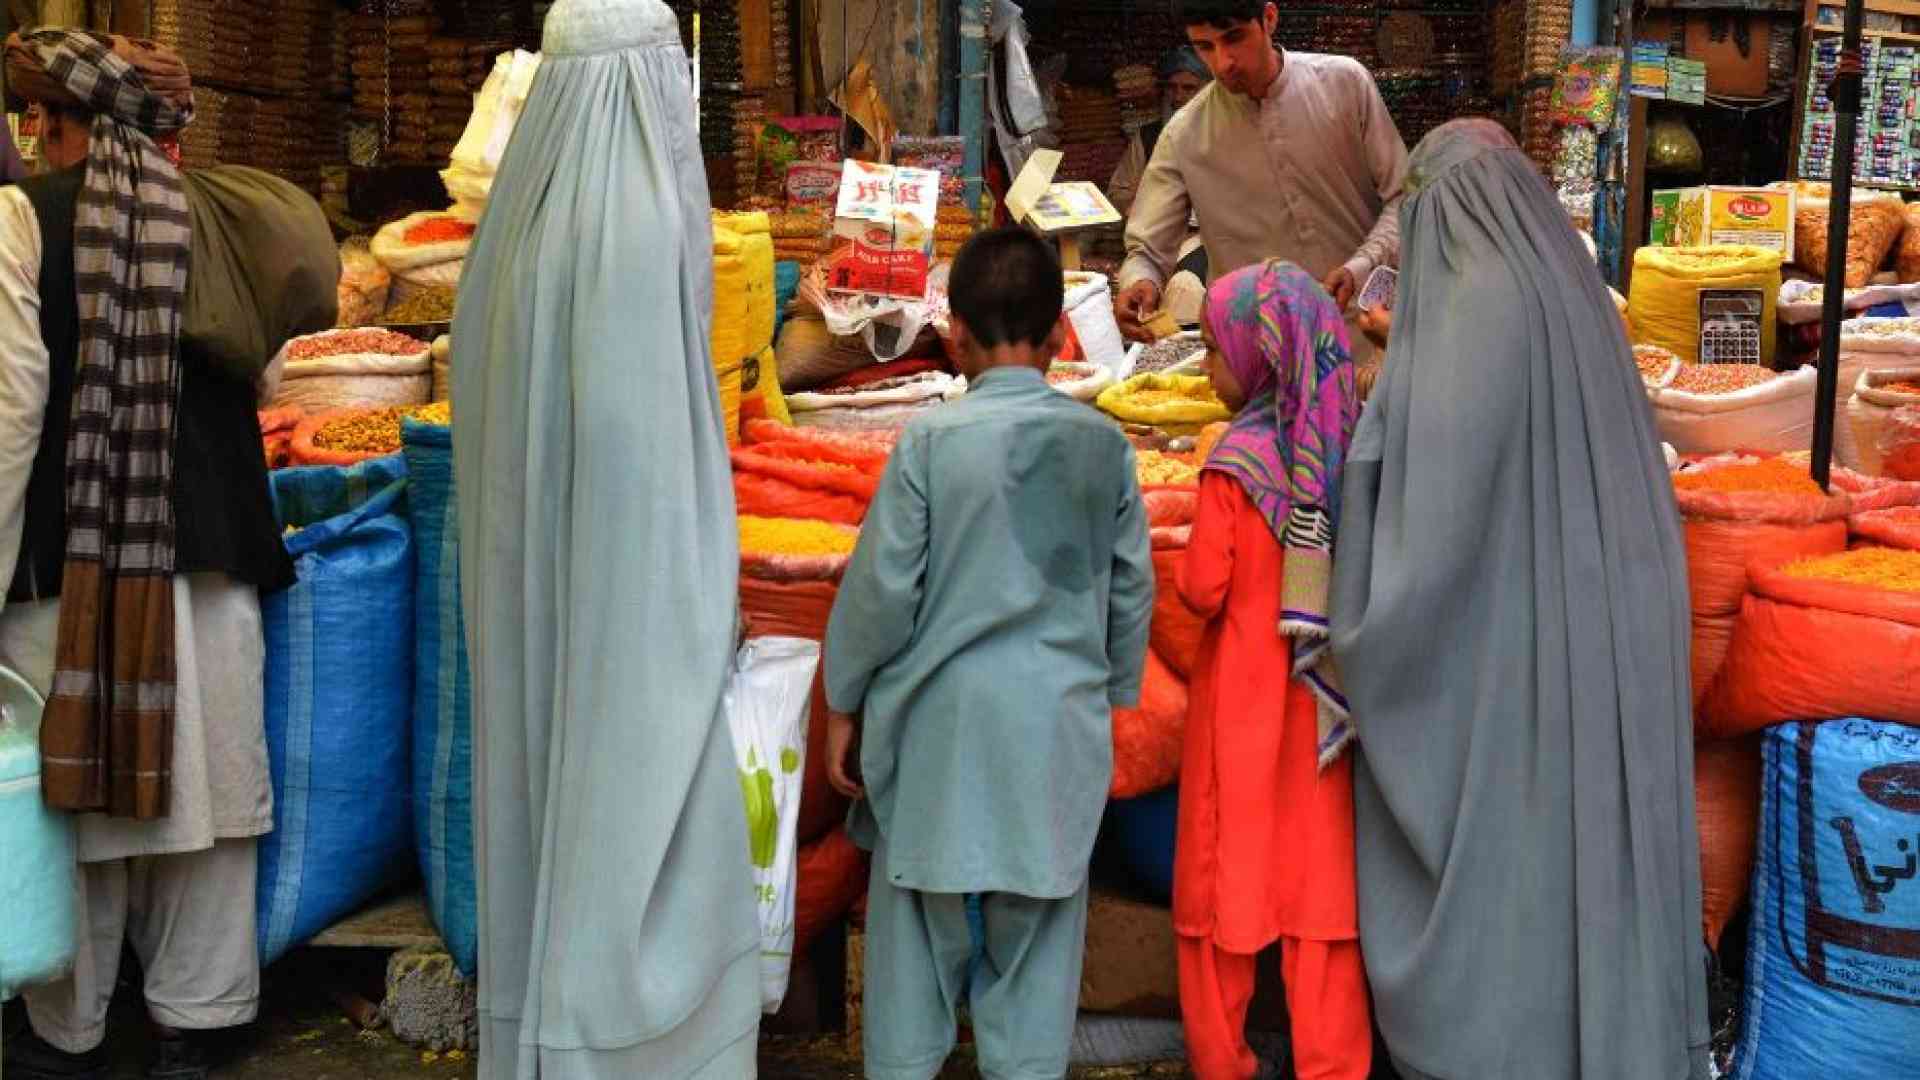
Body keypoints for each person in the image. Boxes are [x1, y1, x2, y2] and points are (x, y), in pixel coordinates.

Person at [1330, 119, 1709, 1080]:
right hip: (1614, 620)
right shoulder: (1573, 288)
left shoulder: (1468, 310)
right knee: (1594, 842)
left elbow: (1428, 534)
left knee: (1520, 847)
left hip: (1515, 642)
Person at [0, 28, 336, 1080]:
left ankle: (71, 1027)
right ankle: (199, 1019)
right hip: (217, 554)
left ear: (58, 123)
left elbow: (12, 413)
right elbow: (269, 379)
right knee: (210, 795)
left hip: (71, 567)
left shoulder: (21, 221)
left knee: (76, 796)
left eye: (36, 119)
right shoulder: (220, 219)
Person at [450, 0, 763, 1076]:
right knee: (634, 823)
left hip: (527, 596)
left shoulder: (511, 239)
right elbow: (652, 470)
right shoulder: (634, 235)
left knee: (543, 809)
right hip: (627, 604)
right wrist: (709, 594)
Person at [823, 227, 1155, 1080]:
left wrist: (842, 703)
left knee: (912, 943)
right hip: (1053, 734)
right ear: (1059, 337)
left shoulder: (929, 444)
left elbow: (879, 594)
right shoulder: (1105, 448)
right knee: (1036, 952)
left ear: (955, 333)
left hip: (938, 735)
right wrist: (1110, 697)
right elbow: (1130, 595)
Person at [1176, 261, 1367, 1080]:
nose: (1207, 369)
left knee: (1220, 887)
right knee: (1320, 902)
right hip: (1323, 715)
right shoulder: (1350, 452)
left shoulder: (1234, 466)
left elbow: (1200, 587)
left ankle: (1224, 1060)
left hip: (1240, 714)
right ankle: (1334, 1064)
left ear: (1260, 357)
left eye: (1215, 349)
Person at [1115, 0, 1408, 359]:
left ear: (1269, 18)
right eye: (1205, 46)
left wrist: (1361, 264)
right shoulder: (1184, 134)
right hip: (1262, 354)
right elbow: (1147, 250)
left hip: (1366, 333)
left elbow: (1405, 198)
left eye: (1234, 38)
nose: (1222, 62)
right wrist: (1140, 282)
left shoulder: (1344, 84)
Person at [1108, 46, 1211, 218]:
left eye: (1189, 88)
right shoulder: (1148, 137)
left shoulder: (1230, 135)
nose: (1178, 97)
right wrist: (1139, 206)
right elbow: (1118, 191)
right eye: (1172, 87)